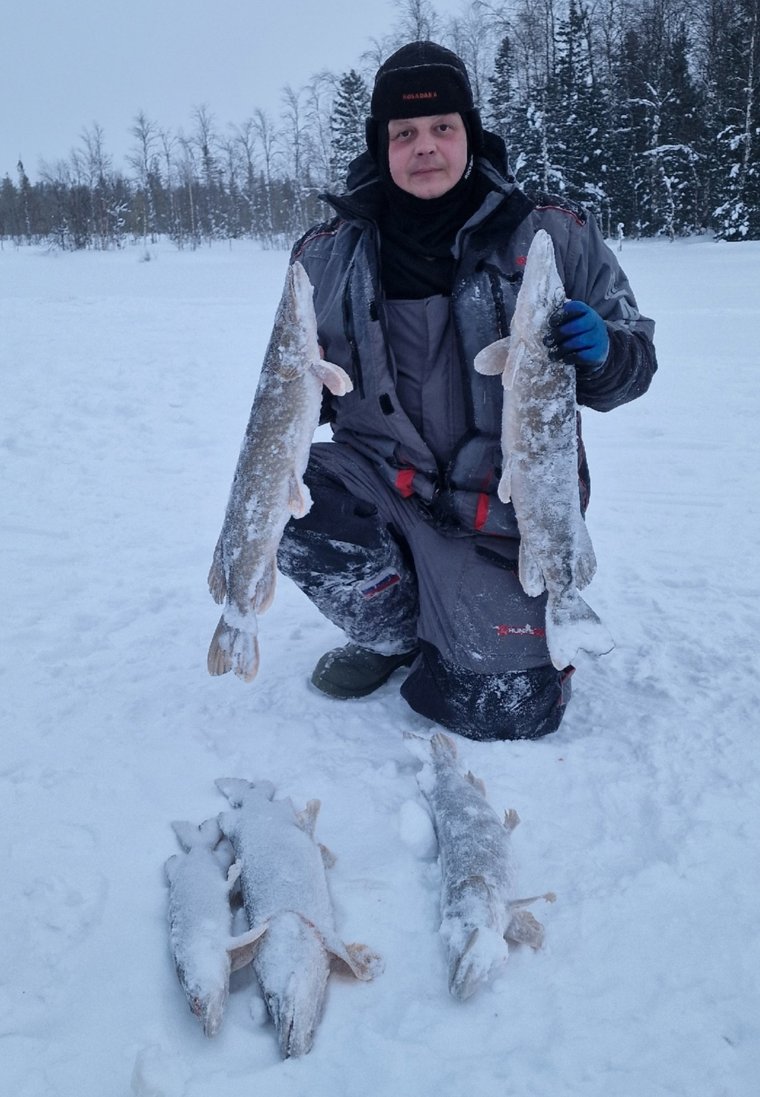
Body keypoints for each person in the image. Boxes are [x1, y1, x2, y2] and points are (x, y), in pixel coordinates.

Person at [275, 41, 657, 741]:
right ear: (381, 145)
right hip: (384, 484)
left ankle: (466, 618)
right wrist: (302, 392)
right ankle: (394, 631)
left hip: (498, 511)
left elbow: (636, 363)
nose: (425, 147)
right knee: (283, 496)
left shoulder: (552, 233)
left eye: (442, 128)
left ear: (469, 134)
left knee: (501, 710)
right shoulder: (325, 254)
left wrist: (607, 353)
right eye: (404, 133)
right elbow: (304, 395)